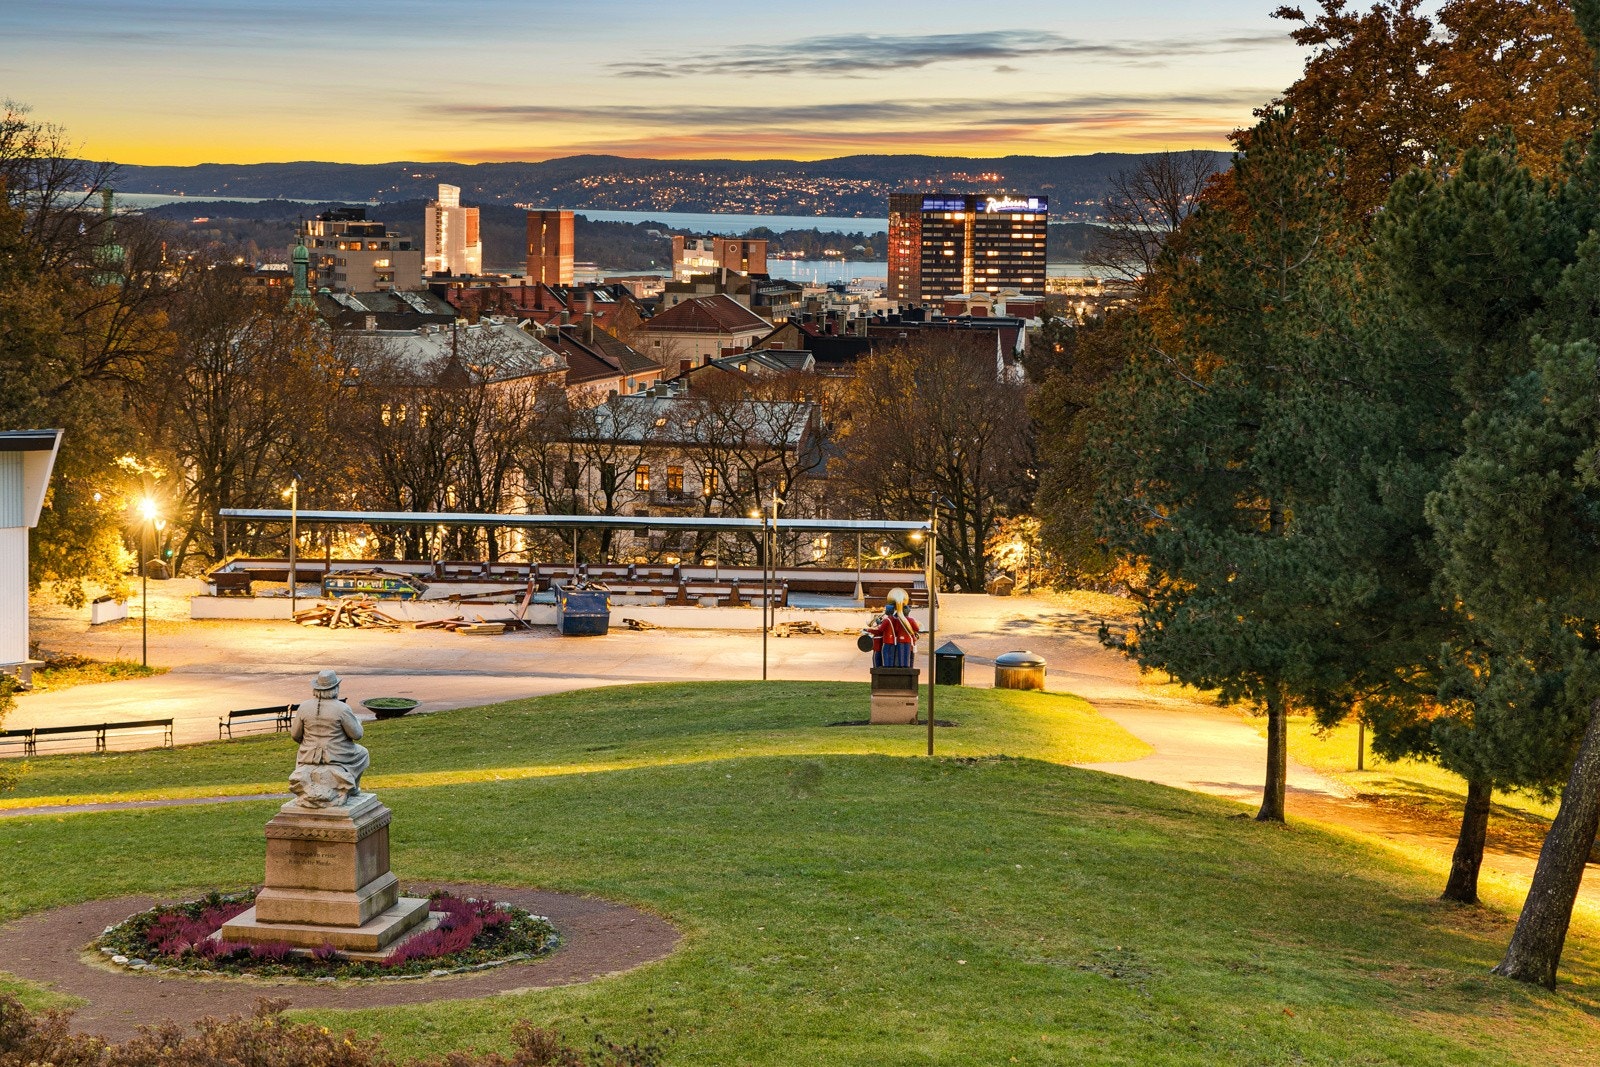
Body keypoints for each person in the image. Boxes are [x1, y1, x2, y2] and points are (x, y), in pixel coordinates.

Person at [288, 669, 369, 805]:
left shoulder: (304, 707)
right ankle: (353, 788)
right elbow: (357, 735)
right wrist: (358, 722)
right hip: (339, 753)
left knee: (300, 750)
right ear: (335, 688)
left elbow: (295, 735)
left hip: (308, 755)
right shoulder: (342, 708)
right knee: (363, 753)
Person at [869, 588, 920, 669]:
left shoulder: (889, 619)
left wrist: (870, 629)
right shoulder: (905, 619)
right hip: (905, 640)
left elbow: (881, 630)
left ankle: (888, 667)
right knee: (906, 657)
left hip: (891, 640)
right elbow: (917, 629)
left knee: (888, 655)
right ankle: (905, 667)